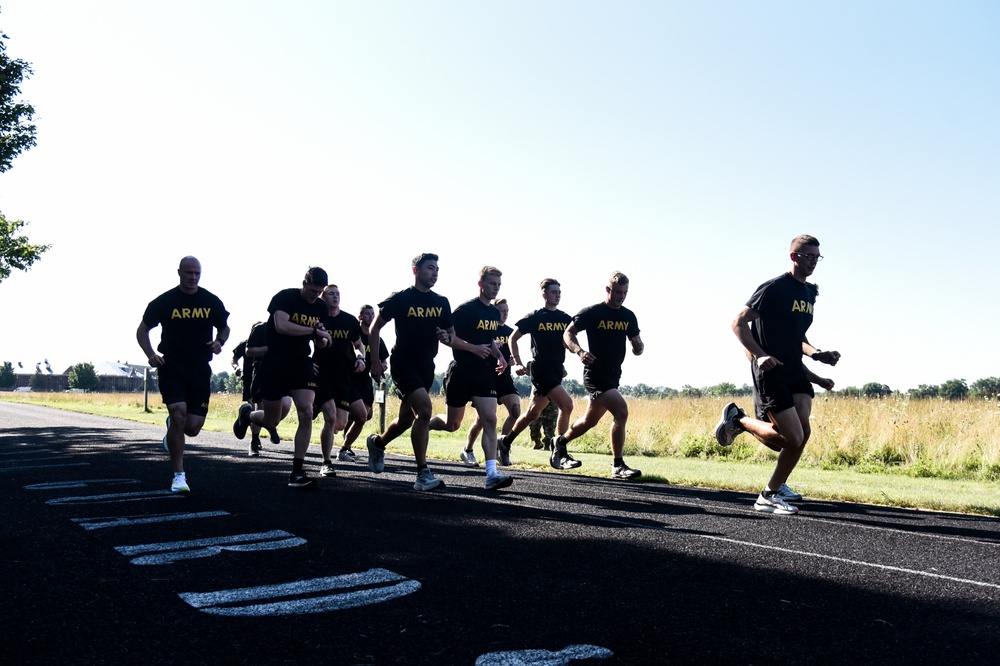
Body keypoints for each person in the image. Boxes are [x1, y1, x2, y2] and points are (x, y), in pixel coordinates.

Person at [715, 235, 840, 515]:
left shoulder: (809, 293)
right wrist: (759, 355)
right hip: (771, 371)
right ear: (793, 256)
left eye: (817, 257)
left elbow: (797, 337)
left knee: (801, 434)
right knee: (792, 438)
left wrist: (817, 354)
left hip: (797, 370)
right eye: (808, 256)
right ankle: (741, 421)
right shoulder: (773, 288)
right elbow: (737, 323)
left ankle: (777, 486)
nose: (813, 262)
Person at [136, 256, 230, 494]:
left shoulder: (210, 301)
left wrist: (220, 342)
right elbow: (142, 330)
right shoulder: (165, 301)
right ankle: (179, 477)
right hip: (172, 366)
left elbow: (224, 327)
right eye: (188, 273)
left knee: (193, 428)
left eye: (197, 273)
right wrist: (150, 354)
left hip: (199, 369)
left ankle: (173, 429)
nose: (193, 277)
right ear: (179, 273)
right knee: (178, 414)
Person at [233, 267, 333, 489]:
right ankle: (248, 416)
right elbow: (282, 326)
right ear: (304, 283)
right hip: (275, 362)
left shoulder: (320, 307)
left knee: (306, 412)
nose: (314, 295)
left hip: (300, 362)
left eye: (319, 292)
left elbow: (321, 339)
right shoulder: (284, 297)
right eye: (312, 290)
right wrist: (313, 332)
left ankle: (297, 471)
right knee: (272, 421)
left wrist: (323, 339)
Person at [366, 253, 455, 492]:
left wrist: (447, 338)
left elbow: (451, 335)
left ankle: (378, 443)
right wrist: (375, 362)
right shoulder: (401, 299)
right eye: (429, 268)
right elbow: (375, 329)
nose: (435, 272)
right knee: (425, 410)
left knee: (407, 419)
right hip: (403, 364)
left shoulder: (442, 302)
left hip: (426, 366)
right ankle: (422, 474)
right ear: (415, 270)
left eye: (437, 269)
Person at [429, 267, 513, 490]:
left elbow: (490, 340)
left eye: (498, 284)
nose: (495, 287)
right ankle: (426, 425)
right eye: (492, 283)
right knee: (452, 424)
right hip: (461, 371)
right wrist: (473, 348)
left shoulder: (494, 313)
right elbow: (448, 338)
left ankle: (491, 474)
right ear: (481, 284)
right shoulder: (466, 310)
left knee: (490, 419)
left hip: (483, 373)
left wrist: (500, 356)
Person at [558, 271, 645, 480]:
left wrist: (638, 347)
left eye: (625, 293)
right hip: (595, 373)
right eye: (618, 292)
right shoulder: (593, 312)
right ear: (608, 290)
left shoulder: (628, 316)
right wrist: (579, 352)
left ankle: (559, 443)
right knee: (622, 412)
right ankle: (618, 465)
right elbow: (568, 333)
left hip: (614, 374)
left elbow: (637, 346)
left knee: (590, 421)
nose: (621, 296)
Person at [495, 279, 575, 468]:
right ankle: (560, 452)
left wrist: (571, 346)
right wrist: (518, 362)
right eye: (554, 292)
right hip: (541, 369)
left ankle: (505, 443)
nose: (557, 295)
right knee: (567, 405)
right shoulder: (535, 316)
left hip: (556, 370)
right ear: (544, 294)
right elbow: (513, 338)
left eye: (559, 292)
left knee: (532, 413)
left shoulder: (565, 318)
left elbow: (571, 336)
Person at [312, 285, 368, 478]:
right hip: (322, 375)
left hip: (344, 377)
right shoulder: (317, 319)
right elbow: (304, 343)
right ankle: (326, 463)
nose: (335, 297)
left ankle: (317, 408)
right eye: (331, 294)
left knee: (340, 424)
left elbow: (359, 345)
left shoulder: (349, 320)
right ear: (322, 297)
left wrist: (361, 358)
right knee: (329, 418)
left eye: (338, 294)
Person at [461, 297, 521, 466]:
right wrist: (491, 345)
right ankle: (468, 449)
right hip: (487, 377)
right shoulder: (486, 329)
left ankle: (502, 445)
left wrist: (512, 361)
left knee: (516, 411)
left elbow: (512, 354)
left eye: (507, 311)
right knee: (483, 420)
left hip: (505, 378)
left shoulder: (510, 332)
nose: (505, 314)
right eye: (502, 311)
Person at [339, 304, 389, 463]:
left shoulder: (376, 338)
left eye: (372, 314)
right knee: (360, 415)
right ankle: (344, 448)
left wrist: (383, 366)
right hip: (350, 378)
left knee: (367, 415)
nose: (371, 316)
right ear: (360, 317)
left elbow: (384, 360)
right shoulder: (355, 334)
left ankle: (343, 419)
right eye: (367, 314)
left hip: (366, 380)